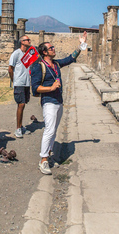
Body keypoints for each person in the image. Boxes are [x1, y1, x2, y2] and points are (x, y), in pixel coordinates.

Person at [31, 32, 87, 175]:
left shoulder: (55, 64)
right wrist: (50, 88)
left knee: (54, 130)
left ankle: (49, 155)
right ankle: (43, 160)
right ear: (44, 52)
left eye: (53, 47)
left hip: (58, 101)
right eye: (51, 48)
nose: (54, 49)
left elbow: (70, 58)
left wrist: (81, 45)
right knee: (49, 129)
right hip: (48, 101)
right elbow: (35, 88)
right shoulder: (39, 66)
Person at [8, 35, 32, 138]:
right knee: (21, 104)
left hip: (27, 83)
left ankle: (21, 126)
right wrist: (14, 80)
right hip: (19, 83)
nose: (29, 41)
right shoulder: (16, 53)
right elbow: (10, 68)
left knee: (24, 104)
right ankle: (18, 129)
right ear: (22, 42)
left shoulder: (28, 54)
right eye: (27, 40)